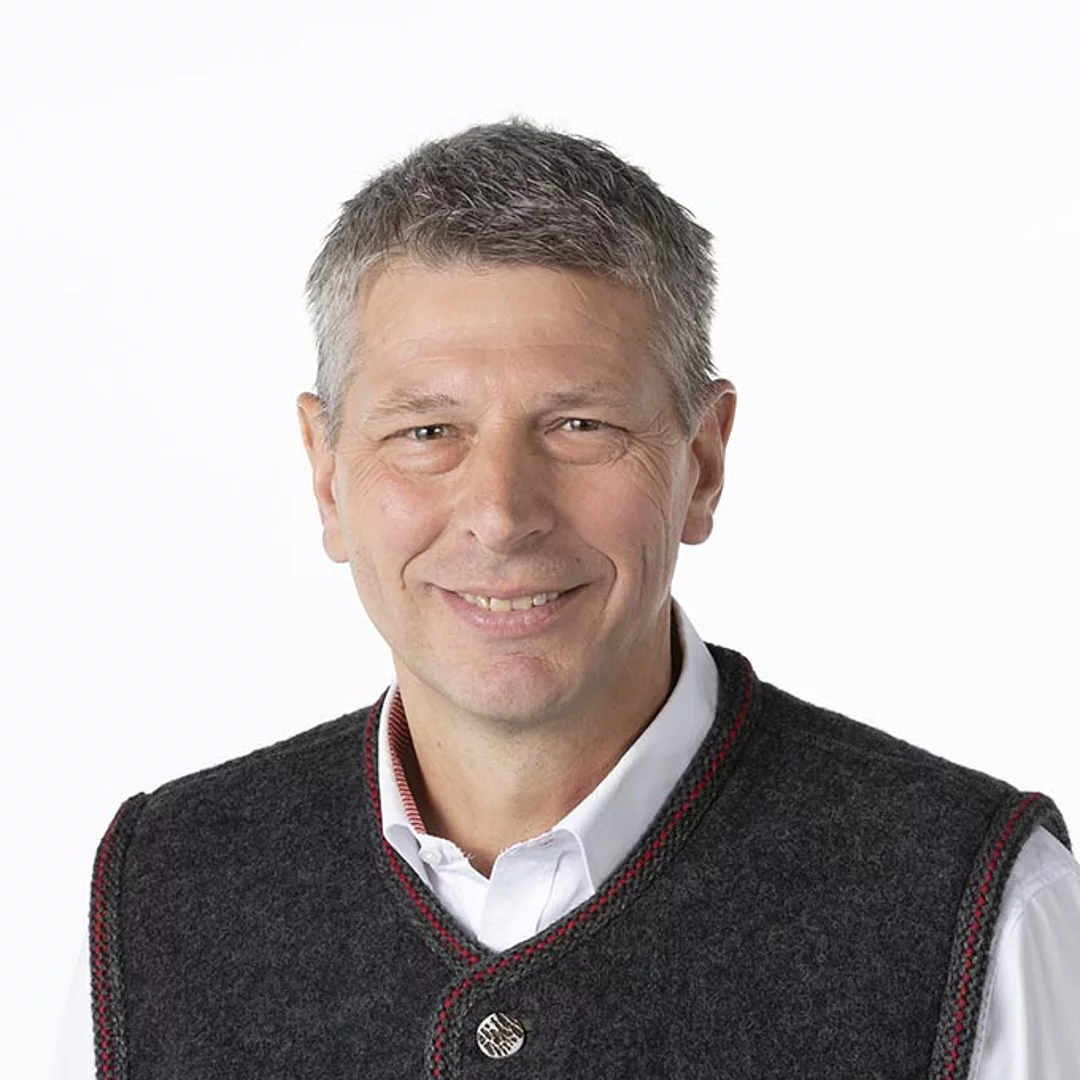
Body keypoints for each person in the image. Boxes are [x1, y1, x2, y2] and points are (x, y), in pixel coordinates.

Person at [62, 121, 1079, 1080]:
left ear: (703, 463)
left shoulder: (987, 911)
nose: (501, 515)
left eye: (581, 426)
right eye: (427, 432)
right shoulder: (159, 895)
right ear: (327, 476)